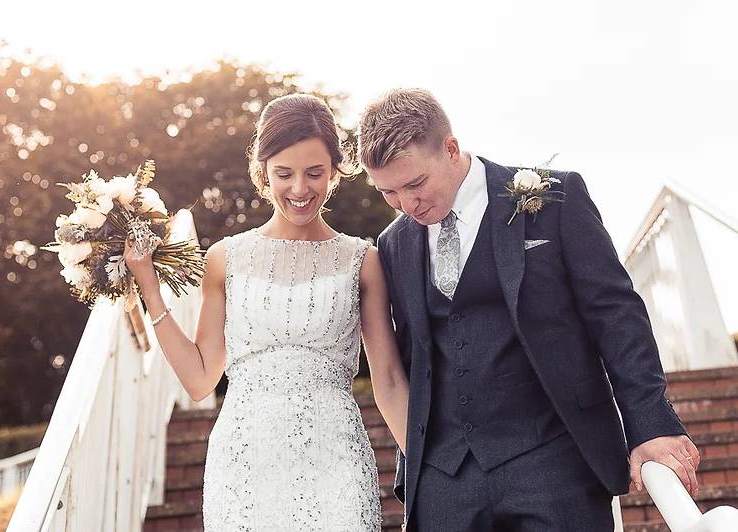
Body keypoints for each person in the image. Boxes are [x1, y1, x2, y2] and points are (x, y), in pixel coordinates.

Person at [356, 88, 700, 531]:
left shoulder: (556, 199)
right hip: (447, 481)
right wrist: (425, 464)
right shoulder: (394, 242)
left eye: (415, 184)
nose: (407, 204)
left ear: (451, 148)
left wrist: (650, 423)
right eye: (389, 192)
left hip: (555, 462)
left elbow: (615, 313)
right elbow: (411, 358)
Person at [124, 93, 409, 531]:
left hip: (336, 459)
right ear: (262, 172)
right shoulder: (225, 258)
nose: (300, 189)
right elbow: (200, 380)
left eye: (315, 173)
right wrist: (149, 287)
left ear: (335, 171)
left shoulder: (362, 260)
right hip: (245, 461)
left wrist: (427, 470)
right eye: (284, 174)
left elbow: (388, 380)